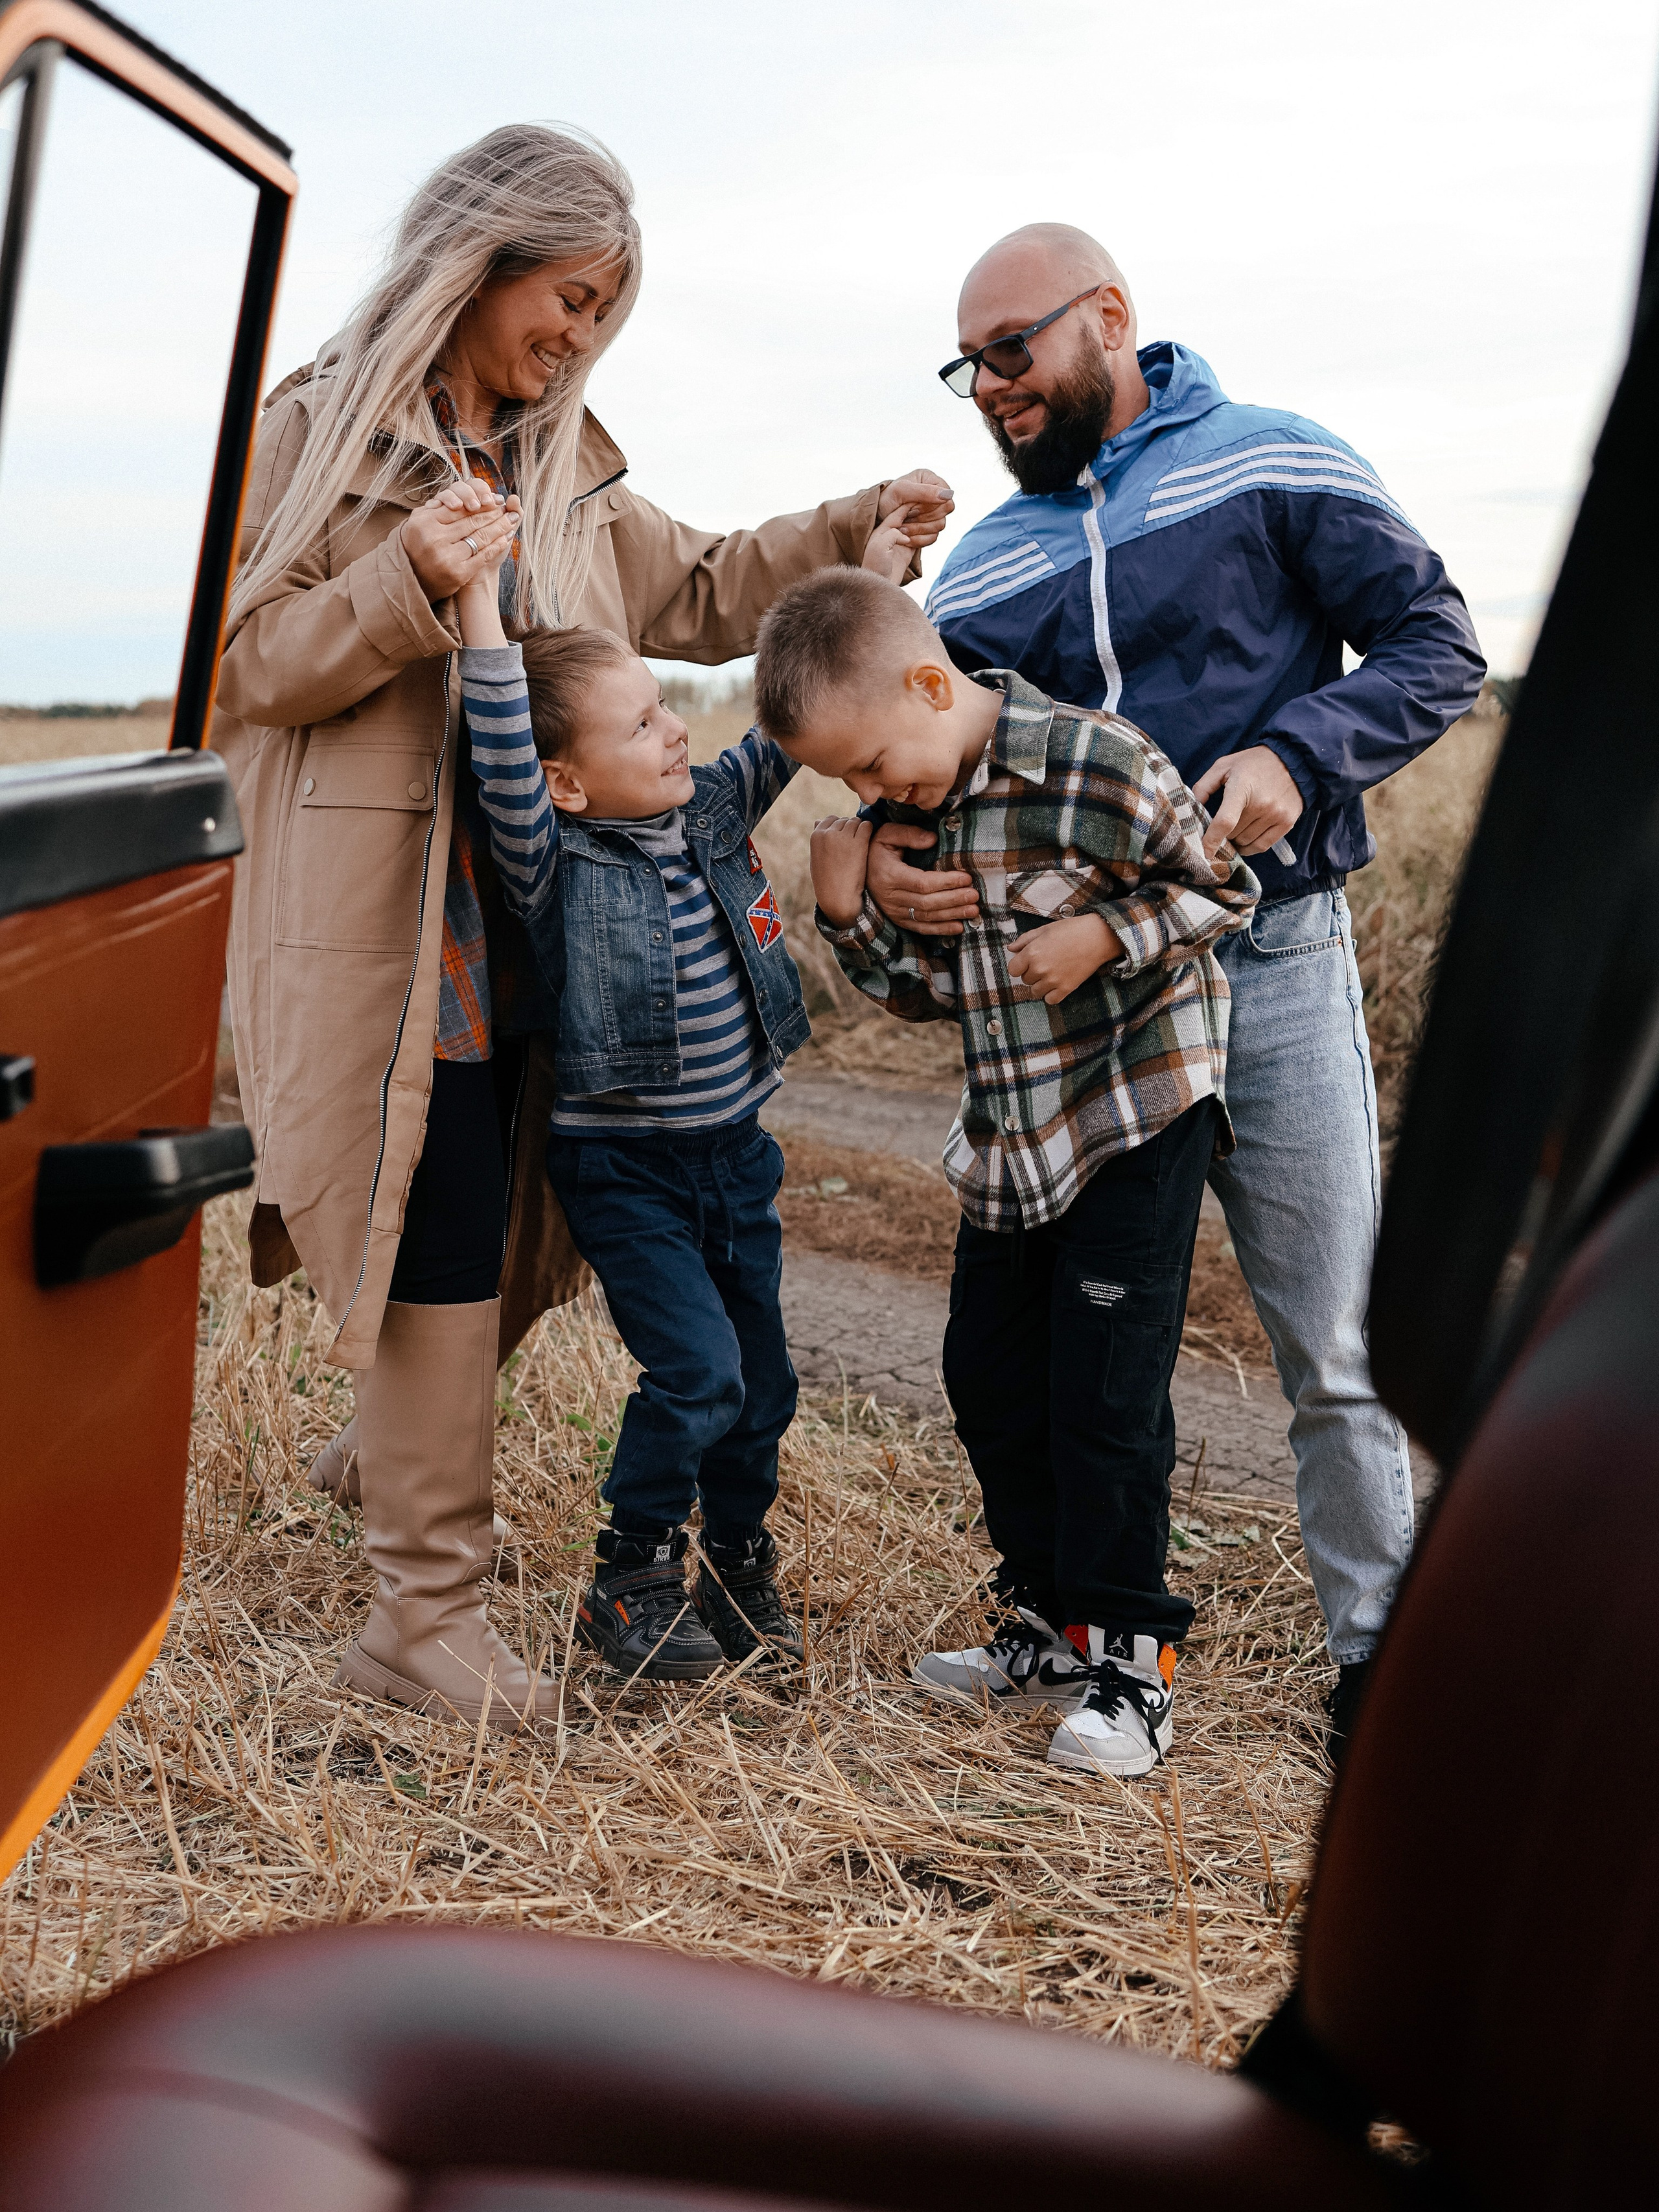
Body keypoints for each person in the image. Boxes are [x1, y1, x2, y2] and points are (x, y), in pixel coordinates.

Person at [212, 121, 953, 1729]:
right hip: (397, 928)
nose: (579, 335)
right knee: (440, 1211)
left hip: (568, 926)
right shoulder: (311, 441)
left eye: (604, 312)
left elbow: (695, 585)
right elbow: (246, 665)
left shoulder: (560, 467)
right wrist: (402, 579)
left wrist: (850, 527)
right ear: (470, 266)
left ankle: (402, 1438)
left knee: (526, 1218)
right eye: (565, 297)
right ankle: (421, 1617)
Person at [868, 224, 1485, 1751]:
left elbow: (1436, 645)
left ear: (1107, 320)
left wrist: (1297, 751)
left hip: (1265, 957)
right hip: (1084, 1003)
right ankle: (1063, 1637)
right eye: (968, 369)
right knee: (1065, 1347)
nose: (989, 390)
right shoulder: (994, 557)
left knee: (1330, 1338)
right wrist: (878, 850)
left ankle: (1378, 1664)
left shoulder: (1273, 457)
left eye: (1010, 353)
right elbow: (930, 749)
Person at [753, 566, 1259, 1776]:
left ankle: (1132, 1664)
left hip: (1137, 1105)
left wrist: (1102, 933)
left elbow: (1224, 889)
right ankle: (1041, 1624)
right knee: (986, 1373)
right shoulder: (916, 817)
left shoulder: (1097, 760)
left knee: (1104, 1396)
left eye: (874, 764)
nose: (873, 797)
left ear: (932, 683)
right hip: (1015, 1125)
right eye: (852, 784)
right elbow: (926, 996)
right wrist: (847, 915)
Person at [430, 491, 918, 1679]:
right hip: (628, 1170)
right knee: (696, 1370)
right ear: (571, 784)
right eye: (641, 724)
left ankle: (738, 1565)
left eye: (664, 708)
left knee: (762, 1384)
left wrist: (888, 576)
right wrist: (477, 609)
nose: (673, 733)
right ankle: (629, 1575)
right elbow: (502, 751)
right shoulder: (555, 860)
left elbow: (796, 730)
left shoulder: (711, 808)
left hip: (736, 1157)